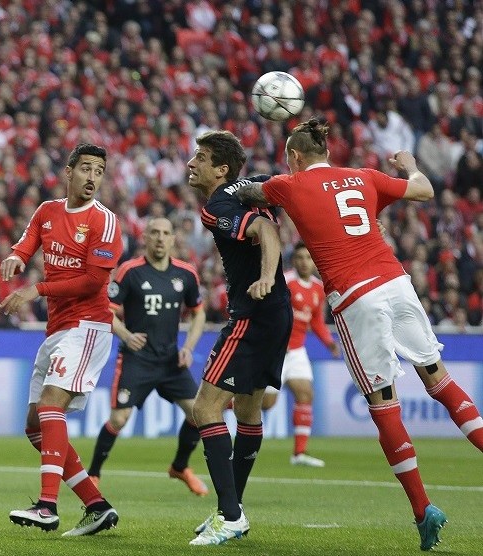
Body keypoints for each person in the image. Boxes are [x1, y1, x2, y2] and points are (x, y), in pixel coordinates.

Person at [236, 118, 483, 551]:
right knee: (437, 377)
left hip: (355, 296)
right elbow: (423, 190)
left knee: (383, 401)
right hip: (397, 282)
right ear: (328, 153)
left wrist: (242, 184)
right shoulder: (364, 177)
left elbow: (246, 192)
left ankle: (424, 510)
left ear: (294, 157)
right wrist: (408, 164)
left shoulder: (288, 185)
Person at [0, 143, 123, 537]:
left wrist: (36, 289)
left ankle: (47, 506)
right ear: (69, 171)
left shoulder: (104, 221)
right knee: (35, 426)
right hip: (58, 328)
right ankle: (96, 504)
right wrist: (17, 257)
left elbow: (93, 281)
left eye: (99, 171)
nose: (92, 177)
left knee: (53, 403)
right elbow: (28, 240)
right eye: (86, 168)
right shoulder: (47, 211)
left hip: (88, 326)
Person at [186, 131, 292, 546]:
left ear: (221, 169)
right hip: (278, 313)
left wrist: (265, 276)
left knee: (205, 410)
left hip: (251, 313)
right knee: (248, 414)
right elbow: (288, 193)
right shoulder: (256, 185)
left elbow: (265, 229)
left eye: (201, 157)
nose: (192, 163)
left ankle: (231, 515)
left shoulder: (216, 207)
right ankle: (232, 511)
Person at [87, 217, 209, 496]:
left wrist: (188, 347)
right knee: (119, 419)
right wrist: (127, 335)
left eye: (166, 233)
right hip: (136, 358)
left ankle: (179, 467)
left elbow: (198, 312)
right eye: (154, 232)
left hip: (170, 360)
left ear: (173, 239)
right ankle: (93, 475)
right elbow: (106, 310)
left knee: (199, 414)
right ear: (145, 237)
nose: (160, 238)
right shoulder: (130, 271)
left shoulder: (186, 274)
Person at [261, 242, 341, 467]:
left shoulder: (317, 288)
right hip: (275, 351)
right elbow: (267, 313)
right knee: (266, 403)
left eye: (308, 257)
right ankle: (217, 407)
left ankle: (299, 453)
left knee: (305, 393)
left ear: (314, 262)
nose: (304, 262)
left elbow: (315, 320)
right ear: (293, 261)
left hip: (296, 351)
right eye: (299, 258)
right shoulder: (285, 283)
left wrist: (328, 342)